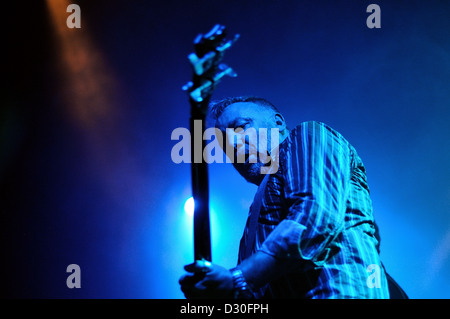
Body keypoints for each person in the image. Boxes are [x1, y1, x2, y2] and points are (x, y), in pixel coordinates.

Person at [179, 96, 399, 299]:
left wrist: (237, 278)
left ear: (277, 123)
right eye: (224, 142)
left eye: (240, 127)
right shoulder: (253, 227)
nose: (233, 144)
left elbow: (315, 216)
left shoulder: (307, 135)